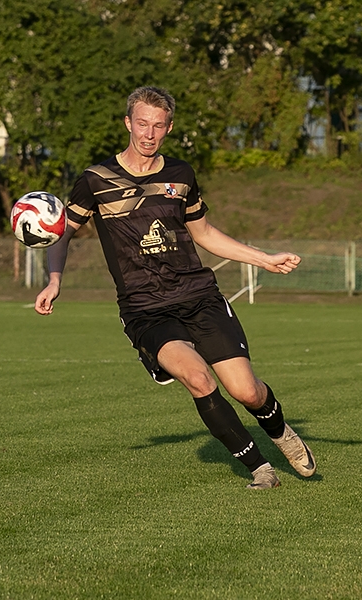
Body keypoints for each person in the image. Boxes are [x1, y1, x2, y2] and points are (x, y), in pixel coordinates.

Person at [35, 86, 316, 490]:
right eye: (142, 123)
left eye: (158, 125)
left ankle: (280, 431)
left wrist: (263, 258)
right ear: (128, 123)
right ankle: (260, 469)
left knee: (246, 391)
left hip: (199, 297)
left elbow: (204, 233)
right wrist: (54, 280)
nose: (149, 133)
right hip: (145, 308)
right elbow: (62, 233)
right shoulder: (95, 181)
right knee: (199, 379)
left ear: (169, 128)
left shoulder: (181, 175)